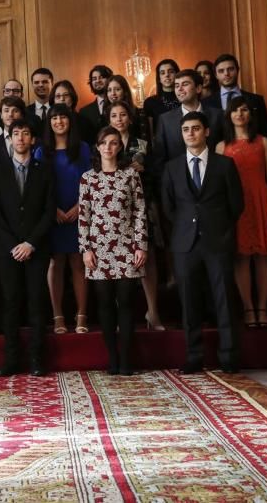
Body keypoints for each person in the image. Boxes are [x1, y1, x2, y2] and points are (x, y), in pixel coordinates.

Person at [162, 111, 244, 374]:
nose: (190, 133)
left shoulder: (225, 165)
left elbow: (236, 205)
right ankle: (194, 355)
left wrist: (218, 228)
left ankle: (229, 356)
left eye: (195, 128)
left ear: (206, 132)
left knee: (224, 299)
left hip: (217, 240)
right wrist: (187, 227)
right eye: (186, 130)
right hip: (185, 243)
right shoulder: (171, 167)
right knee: (189, 300)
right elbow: (168, 207)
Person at [0, 121, 56, 377]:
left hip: (36, 248)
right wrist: (13, 245)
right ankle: (11, 360)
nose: (20, 138)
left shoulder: (45, 171)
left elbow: (49, 211)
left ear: (33, 140)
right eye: (16, 134)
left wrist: (30, 243)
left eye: (25, 133)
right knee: (10, 303)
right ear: (10, 139)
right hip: (8, 251)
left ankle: (38, 360)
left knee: (37, 303)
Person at [79, 127, 148, 375]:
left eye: (114, 143)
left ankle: (127, 359)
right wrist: (85, 249)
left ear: (120, 147)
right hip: (98, 250)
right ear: (97, 147)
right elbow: (84, 217)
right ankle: (113, 359)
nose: (109, 147)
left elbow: (140, 211)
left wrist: (141, 245)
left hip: (127, 247)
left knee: (127, 303)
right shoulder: (88, 178)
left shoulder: (130, 175)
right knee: (105, 305)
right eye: (104, 143)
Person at [216, 96, 267, 328]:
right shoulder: (221, 146)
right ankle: (248, 308)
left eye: (244, 110)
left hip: (261, 200)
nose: (240, 114)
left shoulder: (263, 142)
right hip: (236, 204)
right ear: (229, 115)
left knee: (262, 257)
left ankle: (263, 307)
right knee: (241, 257)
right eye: (235, 110)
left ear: (250, 115)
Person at [35, 105, 92, 335]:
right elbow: (38, 189)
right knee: (55, 263)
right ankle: (58, 316)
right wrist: (53, 210)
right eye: (54, 118)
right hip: (54, 216)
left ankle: (81, 315)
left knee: (78, 263)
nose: (59, 121)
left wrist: (80, 206)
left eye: (63, 117)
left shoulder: (84, 149)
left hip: (80, 212)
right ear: (49, 122)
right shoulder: (41, 151)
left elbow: (90, 180)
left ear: (70, 121)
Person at [108, 101, 165, 330]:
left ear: (130, 118)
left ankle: (153, 312)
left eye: (123, 115)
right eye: (114, 115)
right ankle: (123, 317)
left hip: (141, 204)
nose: (119, 119)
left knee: (147, 257)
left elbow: (153, 171)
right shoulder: (106, 144)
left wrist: (144, 168)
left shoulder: (141, 143)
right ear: (109, 119)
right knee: (118, 261)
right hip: (114, 209)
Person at [153, 69, 225, 175]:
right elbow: (160, 160)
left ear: (198, 88)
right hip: (178, 183)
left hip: (214, 179)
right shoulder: (165, 120)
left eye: (185, 84)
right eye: (177, 86)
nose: (180, 89)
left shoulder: (218, 115)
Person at [203, 53, 267, 138]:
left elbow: (265, 133)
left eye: (230, 69)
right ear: (216, 75)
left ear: (237, 70)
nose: (226, 74)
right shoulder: (206, 103)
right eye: (221, 71)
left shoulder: (256, 100)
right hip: (217, 149)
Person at [143, 58, 180, 137]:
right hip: (161, 145)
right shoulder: (150, 102)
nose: (167, 75)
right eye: (162, 73)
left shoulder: (185, 99)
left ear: (177, 74)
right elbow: (150, 133)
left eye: (171, 72)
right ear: (159, 78)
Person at [0, 95, 25, 168]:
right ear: (1, 115)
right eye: (6, 110)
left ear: (21, 115)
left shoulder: (33, 142)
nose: (10, 114)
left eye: (15, 111)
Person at [105, 75, 146, 139]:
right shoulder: (103, 116)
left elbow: (143, 141)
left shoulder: (138, 113)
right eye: (109, 90)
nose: (113, 93)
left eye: (117, 89)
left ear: (125, 91)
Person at [78, 65, 113, 134]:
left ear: (110, 79)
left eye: (101, 77)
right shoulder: (84, 112)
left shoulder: (120, 105)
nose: (98, 81)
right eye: (94, 79)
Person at [26, 68, 54, 137]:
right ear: (32, 85)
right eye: (36, 82)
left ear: (52, 83)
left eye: (45, 82)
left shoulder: (59, 109)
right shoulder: (25, 112)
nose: (40, 85)